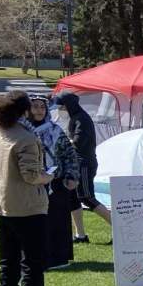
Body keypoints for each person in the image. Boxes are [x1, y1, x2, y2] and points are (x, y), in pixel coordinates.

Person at [0, 91, 59, 286]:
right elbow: (31, 175)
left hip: (3, 205)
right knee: (32, 261)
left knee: (7, 259)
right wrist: (47, 178)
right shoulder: (25, 138)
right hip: (28, 207)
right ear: (24, 110)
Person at [25, 94, 80, 269]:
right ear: (28, 109)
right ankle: (36, 258)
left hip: (55, 182)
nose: (39, 110)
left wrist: (71, 175)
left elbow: (69, 154)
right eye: (35, 106)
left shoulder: (55, 130)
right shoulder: (22, 131)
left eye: (42, 107)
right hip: (30, 183)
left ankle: (58, 259)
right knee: (34, 223)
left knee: (56, 221)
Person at [54, 92, 111, 242]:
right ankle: (80, 235)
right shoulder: (75, 117)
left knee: (87, 197)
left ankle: (118, 228)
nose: (60, 109)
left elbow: (78, 142)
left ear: (68, 105)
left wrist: (60, 145)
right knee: (74, 199)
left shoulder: (82, 119)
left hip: (84, 164)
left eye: (61, 106)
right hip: (75, 164)